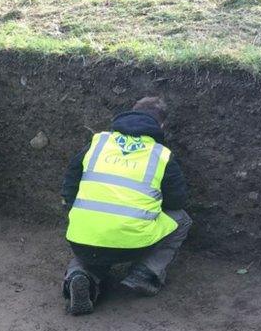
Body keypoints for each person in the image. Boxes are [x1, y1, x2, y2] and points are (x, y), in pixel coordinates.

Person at [60, 97, 191, 315]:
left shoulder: (98, 143)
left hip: (82, 237)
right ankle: (145, 273)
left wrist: (75, 207)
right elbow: (177, 201)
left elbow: (70, 181)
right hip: (132, 244)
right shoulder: (160, 155)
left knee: (89, 256)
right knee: (182, 219)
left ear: (130, 114)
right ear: (161, 126)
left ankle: (81, 279)